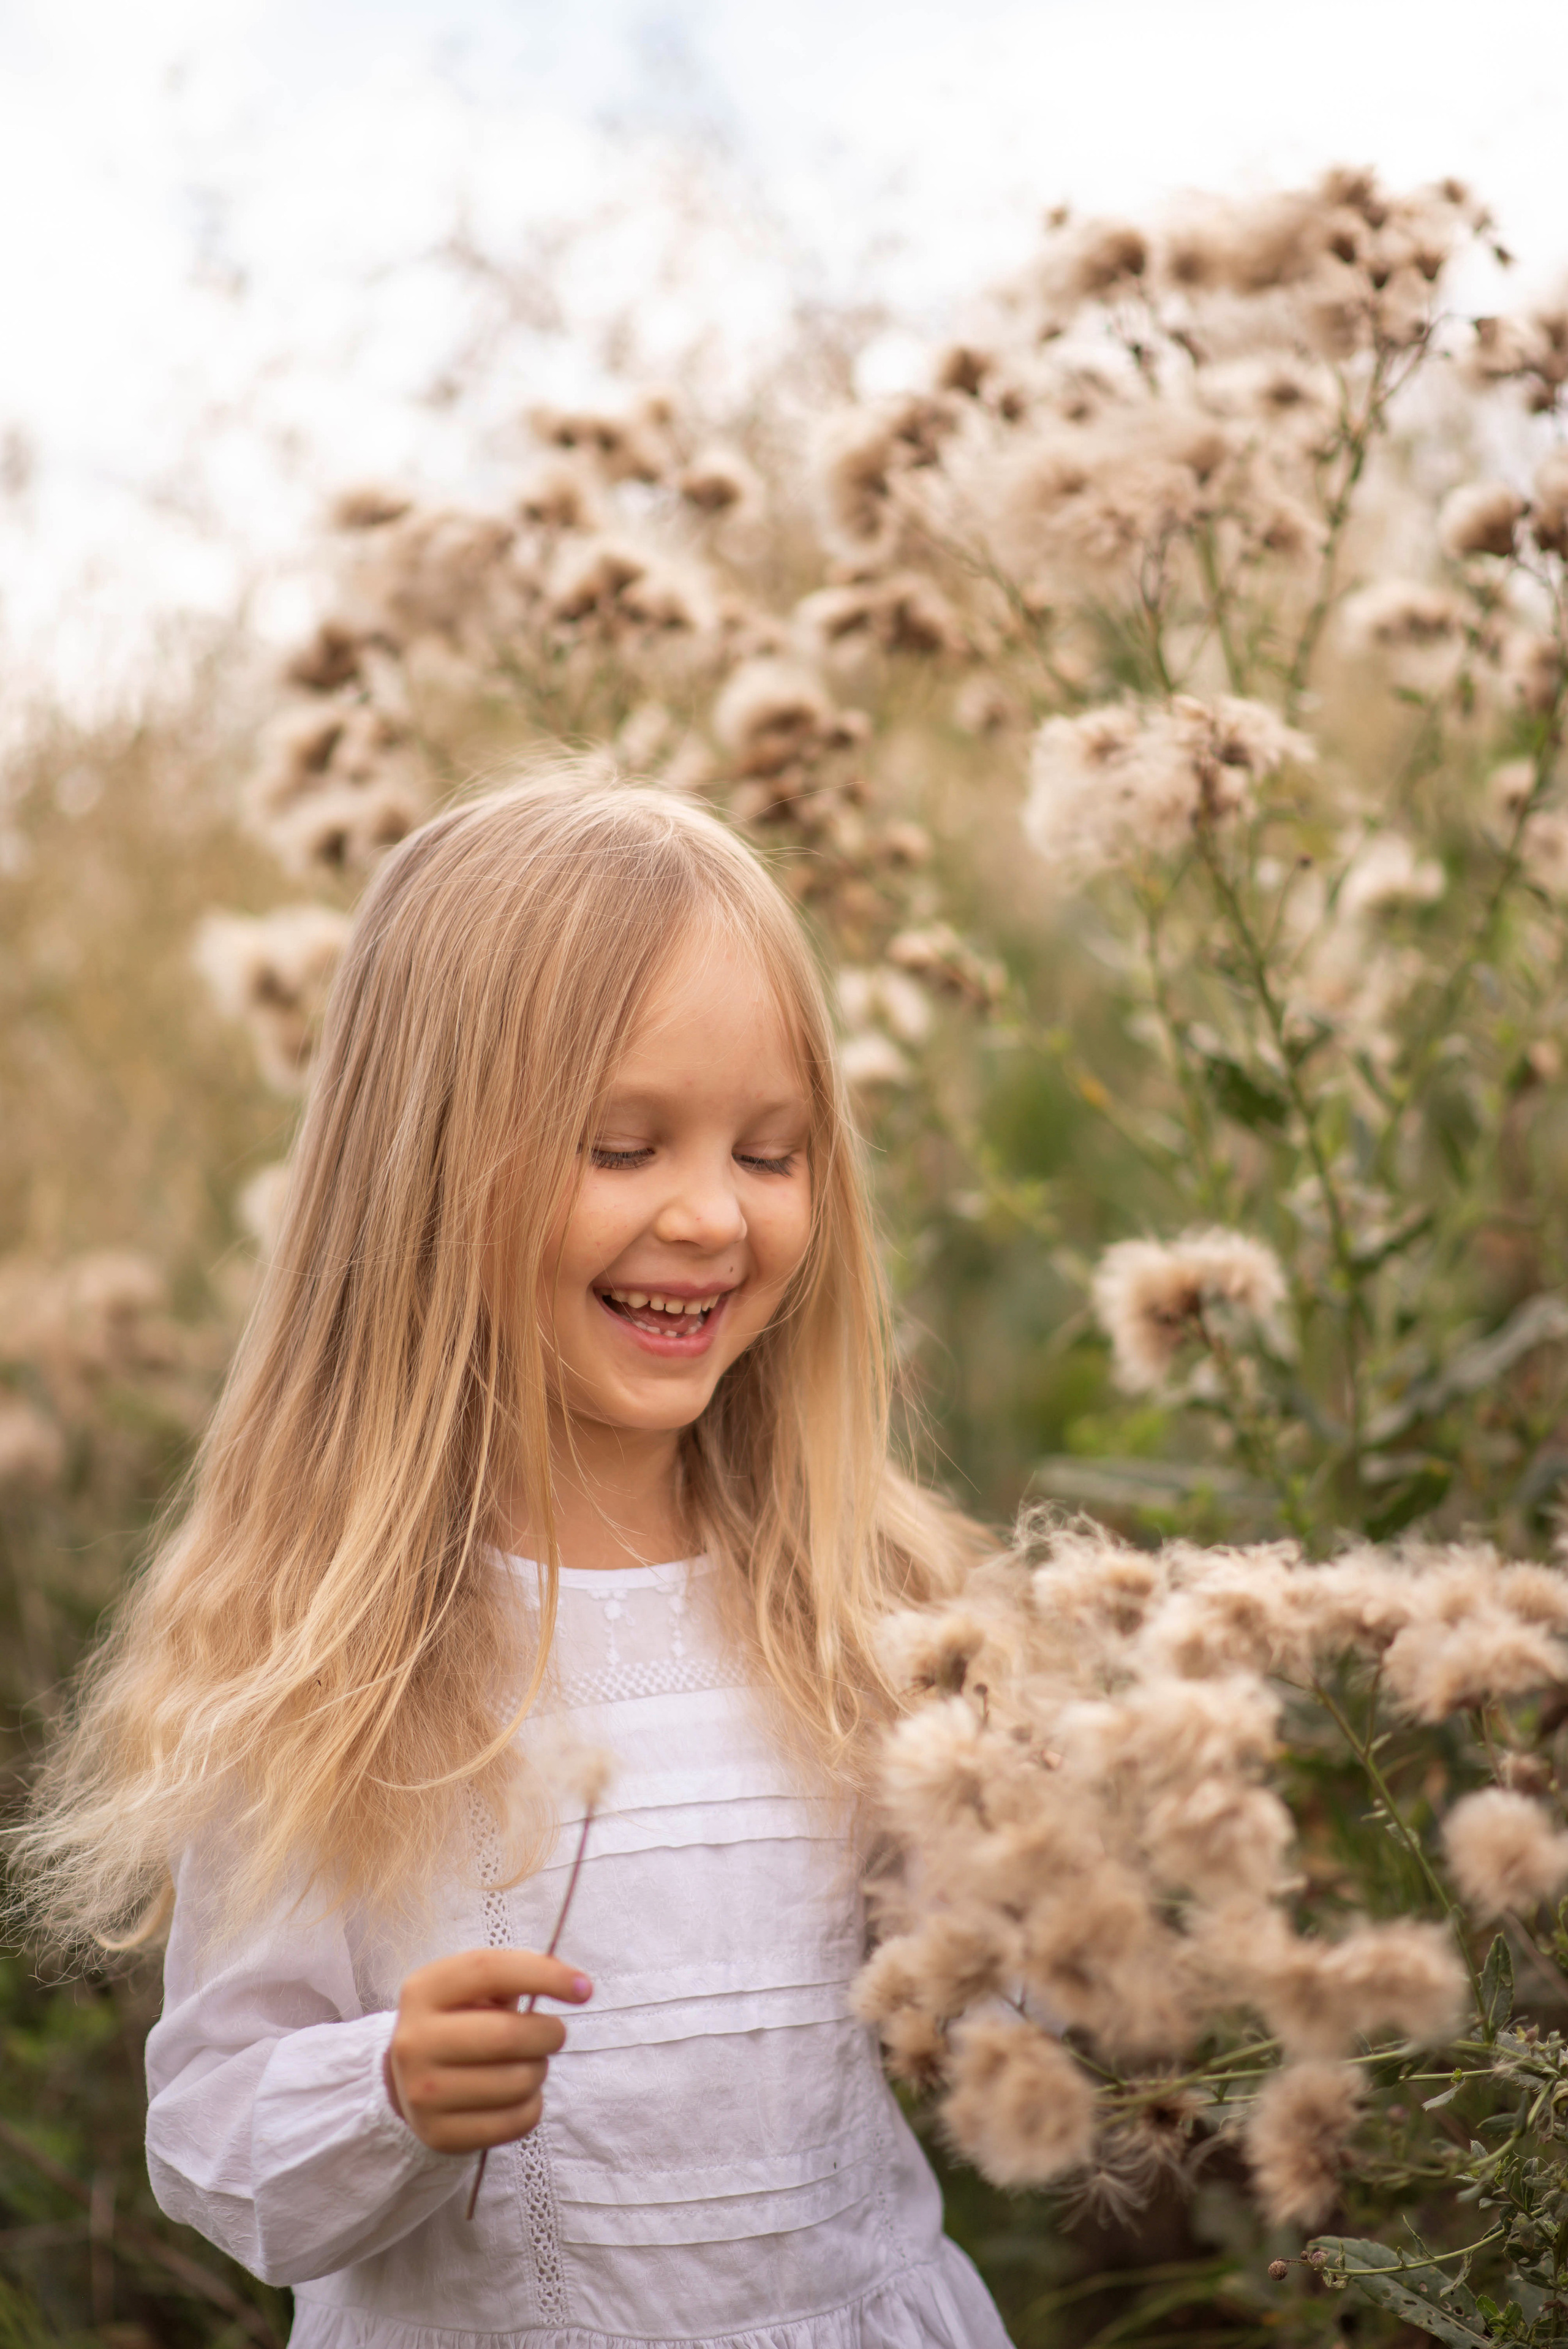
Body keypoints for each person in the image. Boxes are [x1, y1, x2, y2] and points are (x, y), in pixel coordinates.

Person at [18, 775, 1011, 2347]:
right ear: (421, 1176)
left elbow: (987, 2017)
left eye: (769, 1154)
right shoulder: (330, 1648)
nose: (708, 1216)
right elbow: (215, 2141)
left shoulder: (857, 1596)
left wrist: (1069, 1896)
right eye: (622, 1147)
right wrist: (387, 2088)